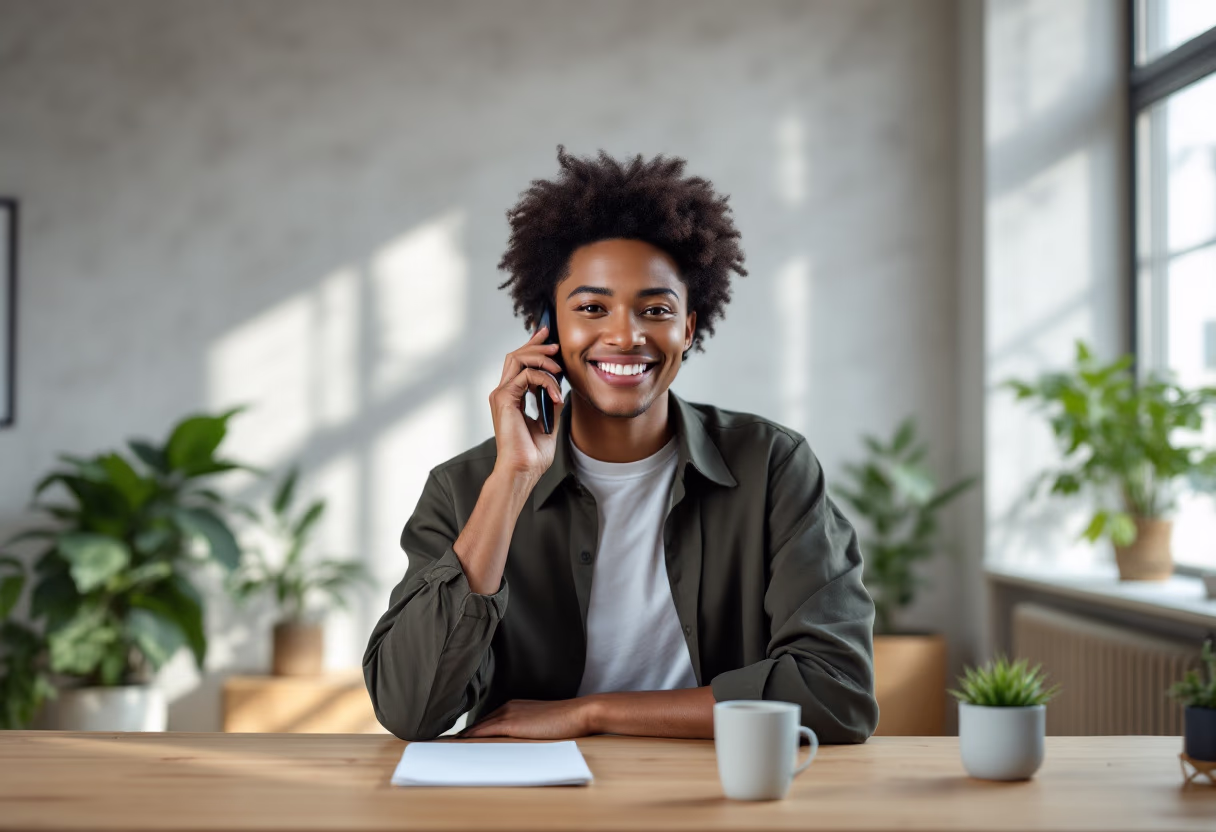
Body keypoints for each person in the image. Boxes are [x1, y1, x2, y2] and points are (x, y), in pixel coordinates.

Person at [363, 146, 879, 743]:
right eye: (592, 308)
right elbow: (409, 707)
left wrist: (591, 714)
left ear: (687, 328)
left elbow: (836, 693)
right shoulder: (466, 487)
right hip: (530, 800)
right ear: (549, 326)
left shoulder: (771, 466)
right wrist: (511, 481)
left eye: (655, 309)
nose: (625, 335)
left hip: (716, 794)